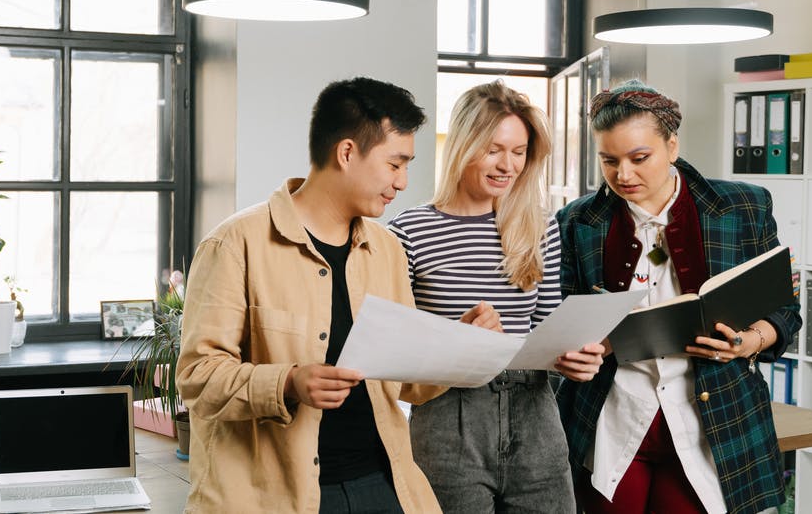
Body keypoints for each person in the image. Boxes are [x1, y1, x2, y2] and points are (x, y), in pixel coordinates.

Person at [176, 77, 476, 513]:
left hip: (382, 484)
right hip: (273, 498)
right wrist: (289, 382)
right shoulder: (234, 243)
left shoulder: (387, 248)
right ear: (347, 152)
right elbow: (198, 378)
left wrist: (459, 345)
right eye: (395, 164)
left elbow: (407, 382)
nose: (403, 181)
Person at [554, 79, 801, 514]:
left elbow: (784, 308)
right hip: (612, 418)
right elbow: (563, 316)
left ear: (672, 146)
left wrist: (748, 342)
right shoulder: (578, 221)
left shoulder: (744, 206)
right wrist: (574, 353)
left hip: (713, 419)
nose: (623, 175)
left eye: (639, 158)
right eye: (608, 161)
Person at [388, 80, 578, 513]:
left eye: (519, 151)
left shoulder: (540, 227)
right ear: (462, 143)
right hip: (448, 419)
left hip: (536, 416)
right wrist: (458, 340)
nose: (507, 165)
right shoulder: (408, 232)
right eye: (494, 148)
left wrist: (573, 358)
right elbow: (393, 355)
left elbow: (546, 328)